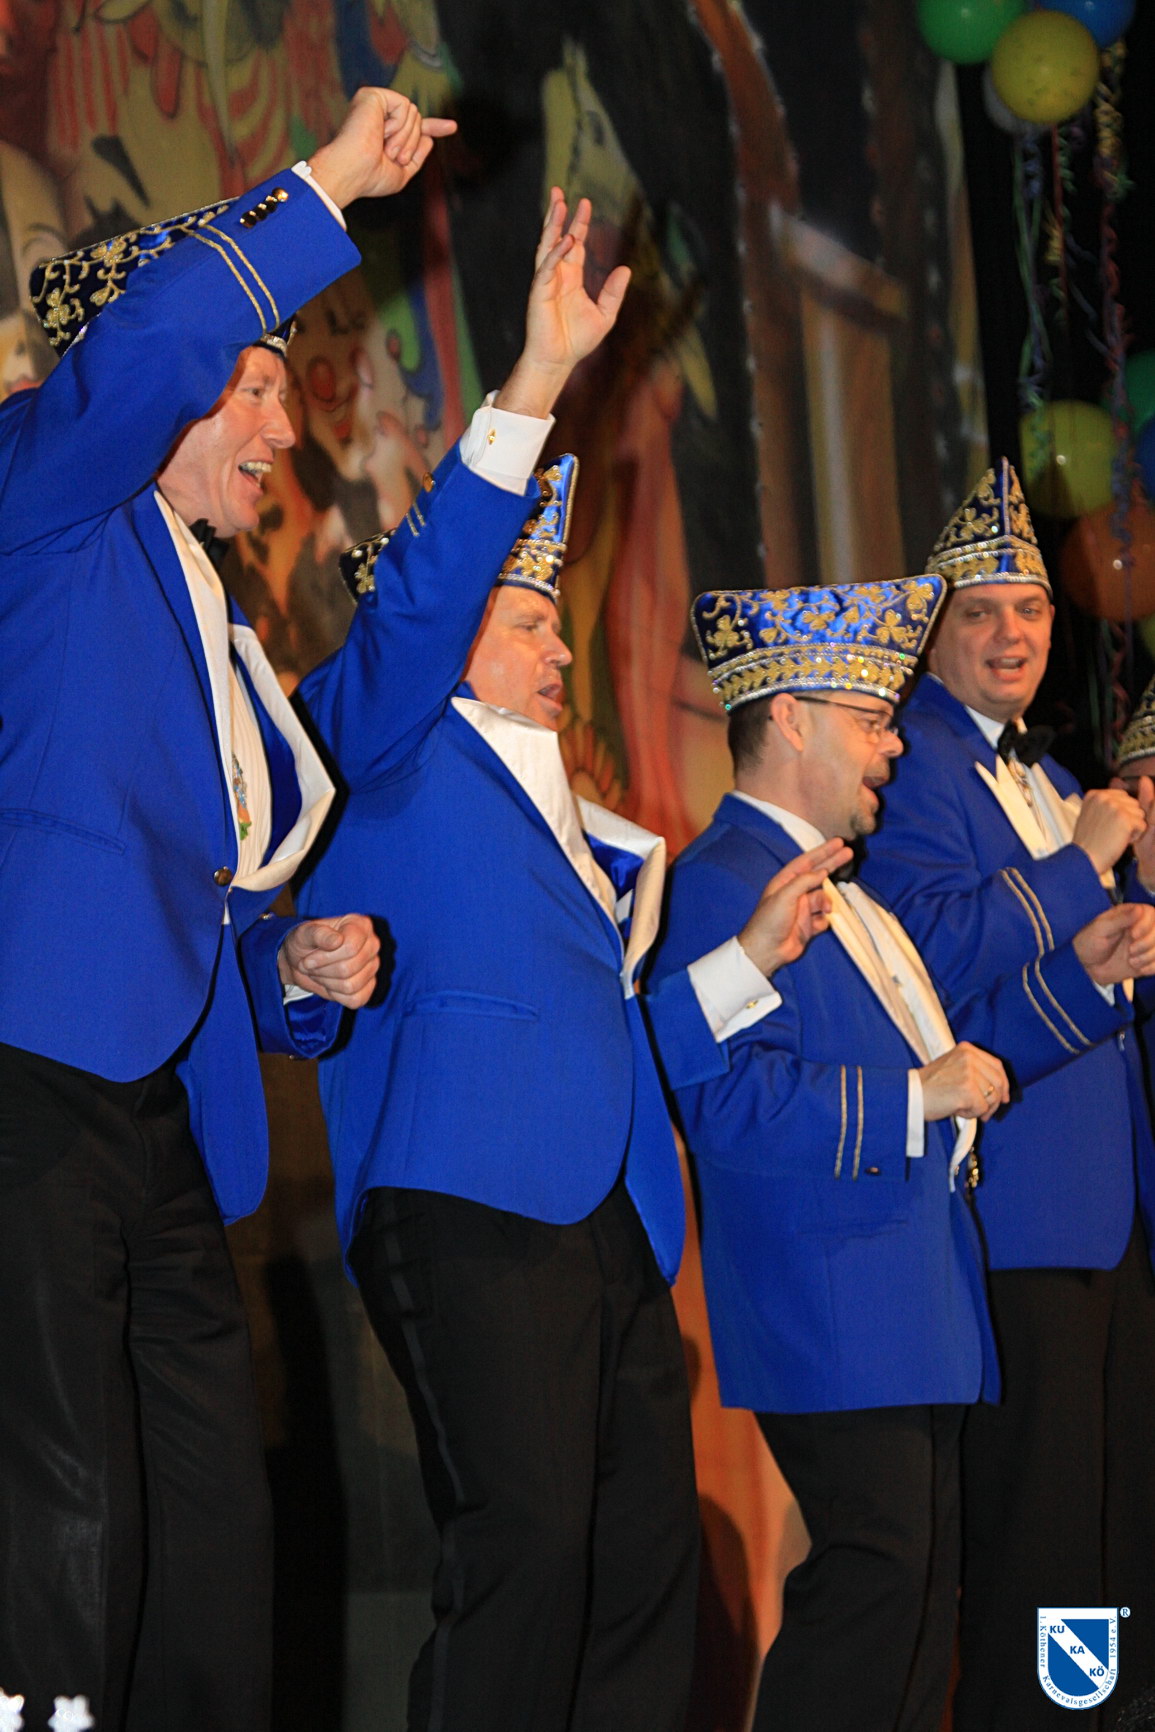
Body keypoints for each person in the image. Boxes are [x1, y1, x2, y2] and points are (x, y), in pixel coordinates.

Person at [297, 191, 841, 1732]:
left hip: (606, 1209)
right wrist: (536, 375)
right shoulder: (379, 739)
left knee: (640, 1561)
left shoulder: (590, 829)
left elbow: (620, 1034)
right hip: (465, 1193)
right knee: (527, 1547)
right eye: (526, 618)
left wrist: (742, 957)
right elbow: (418, 605)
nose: (557, 646)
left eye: (551, 620)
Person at [0, 86, 455, 1732]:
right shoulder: (46, 491)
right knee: (66, 1517)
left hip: (158, 1108)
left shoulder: (209, 614)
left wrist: (284, 962)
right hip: (29, 1068)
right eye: (250, 386)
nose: (281, 428)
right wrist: (328, 179)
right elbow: (140, 351)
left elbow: (201, 877)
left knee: (210, 1536)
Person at [647, 576, 1155, 1732]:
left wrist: (1087, 980)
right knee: (872, 1604)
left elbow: (959, 1059)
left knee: (918, 1618)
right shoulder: (722, 879)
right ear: (790, 720)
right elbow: (720, 1100)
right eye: (871, 719)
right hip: (834, 1302)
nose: (892, 743)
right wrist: (912, 1097)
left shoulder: (850, 893)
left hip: (912, 1298)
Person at [859, 461, 1155, 1729]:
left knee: (1114, 1536)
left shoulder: (1052, 776)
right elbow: (924, 949)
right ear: (934, 634)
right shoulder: (912, 766)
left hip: (1104, 1214)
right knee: (1041, 1550)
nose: (1012, 634)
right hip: (1016, 1209)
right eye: (979, 612)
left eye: (1029, 609)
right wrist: (1082, 869)